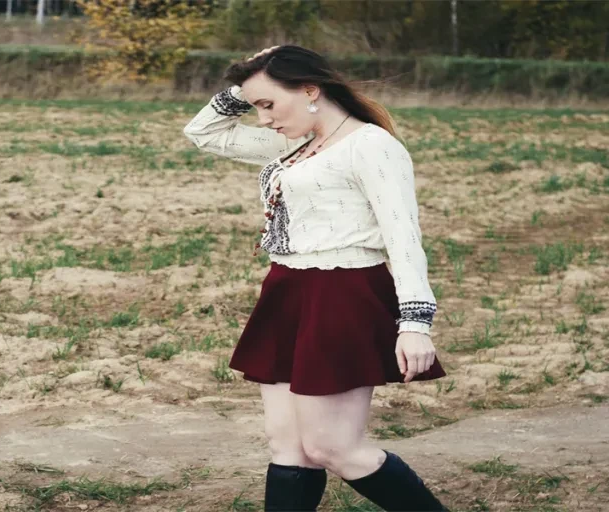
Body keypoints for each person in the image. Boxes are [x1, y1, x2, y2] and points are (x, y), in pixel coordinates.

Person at [182, 45, 449, 512]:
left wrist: (415, 324)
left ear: (310, 90)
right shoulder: (297, 142)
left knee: (333, 448)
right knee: (288, 447)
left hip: (342, 292)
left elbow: (403, 236)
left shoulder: (371, 145)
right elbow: (203, 133)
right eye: (256, 106)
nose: (262, 119)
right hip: (288, 289)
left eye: (268, 104)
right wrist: (248, 83)